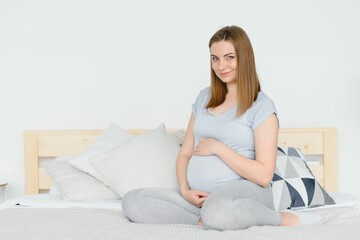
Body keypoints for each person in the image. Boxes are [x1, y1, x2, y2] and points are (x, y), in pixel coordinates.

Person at [122, 25, 323, 231]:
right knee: (133, 201)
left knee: (217, 211)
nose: (221, 66)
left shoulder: (261, 106)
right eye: (215, 58)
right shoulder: (204, 98)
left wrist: (219, 148)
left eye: (229, 57)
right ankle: (206, 218)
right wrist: (184, 189)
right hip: (201, 198)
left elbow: (264, 175)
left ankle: (278, 219)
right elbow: (185, 153)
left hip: (244, 190)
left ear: (244, 58)